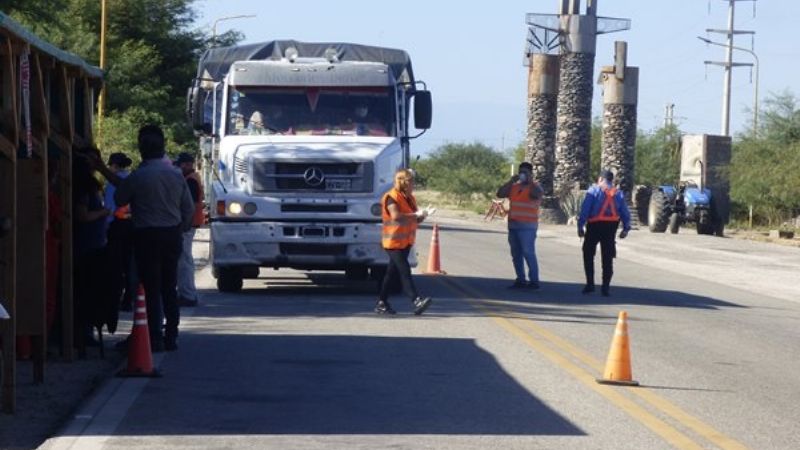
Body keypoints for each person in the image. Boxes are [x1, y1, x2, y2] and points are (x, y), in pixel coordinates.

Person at [94, 125, 194, 352]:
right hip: (171, 234)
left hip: (146, 236)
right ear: (163, 147)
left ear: (141, 149)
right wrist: (180, 229)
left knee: (150, 287)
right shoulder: (176, 175)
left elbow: (120, 198)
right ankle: (171, 335)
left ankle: (154, 336)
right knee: (169, 286)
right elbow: (188, 209)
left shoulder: (139, 176)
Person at [375, 169, 432, 315]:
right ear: (403, 182)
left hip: (405, 242)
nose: (413, 184)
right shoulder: (391, 197)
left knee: (391, 273)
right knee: (404, 270)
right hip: (393, 242)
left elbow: (414, 219)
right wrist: (415, 214)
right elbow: (396, 216)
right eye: (411, 181)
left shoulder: (410, 198)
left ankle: (382, 303)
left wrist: (423, 215)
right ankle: (416, 300)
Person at [577, 170, 632, 297]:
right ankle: (605, 287)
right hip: (610, 228)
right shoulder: (618, 193)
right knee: (607, 257)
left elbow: (585, 209)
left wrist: (580, 226)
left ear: (601, 179)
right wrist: (626, 228)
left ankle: (590, 284)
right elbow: (625, 212)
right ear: (611, 180)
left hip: (594, 226)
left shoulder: (594, 191)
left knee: (588, 253)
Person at [496, 162, 544, 289]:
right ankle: (520, 279)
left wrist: (530, 181)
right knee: (516, 254)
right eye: (521, 172)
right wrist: (511, 181)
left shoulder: (535, 187)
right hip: (513, 225)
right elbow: (500, 193)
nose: (522, 174)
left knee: (528, 252)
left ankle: (534, 281)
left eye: (525, 172)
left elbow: (537, 194)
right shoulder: (514, 187)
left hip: (528, 226)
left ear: (530, 173)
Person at [104, 152, 137, 312]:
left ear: (115, 165)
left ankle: (116, 298)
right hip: (133, 226)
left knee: (117, 264)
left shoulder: (113, 182)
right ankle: (130, 298)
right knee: (130, 263)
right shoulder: (133, 179)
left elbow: (110, 207)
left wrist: (105, 226)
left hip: (117, 227)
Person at [174, 152, 204, 307]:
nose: (178, 168)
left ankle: (187, 295)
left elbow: (188, 206)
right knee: (184, 260)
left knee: (184, 261)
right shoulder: (191, 178)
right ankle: (186, 293)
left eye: (179, 165)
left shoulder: (190, 181)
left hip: (187, 225)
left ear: (185, 165)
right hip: (189, 224)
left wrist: (182, 224)